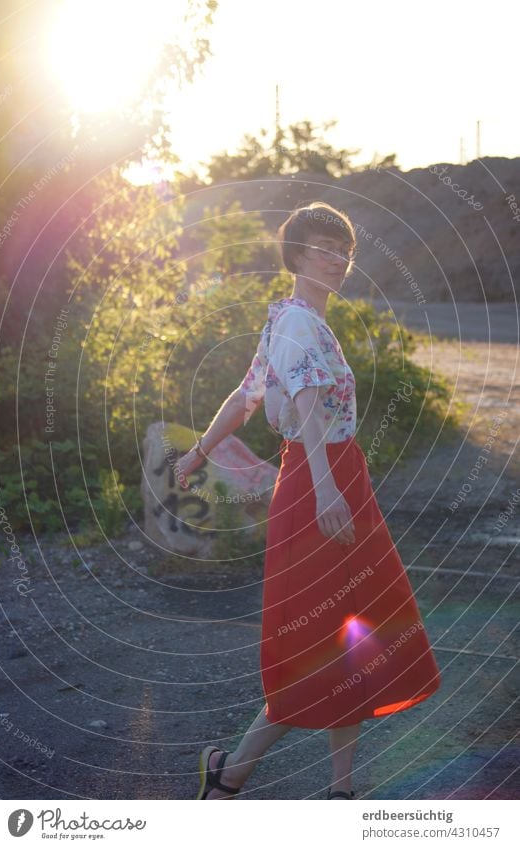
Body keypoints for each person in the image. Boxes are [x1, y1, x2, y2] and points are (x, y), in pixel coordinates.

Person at [174, 201, 442, 800]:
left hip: (336, 475)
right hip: (320, 479)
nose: (338, 260)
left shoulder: (293, 322)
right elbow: (304, 409)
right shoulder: (296, 323)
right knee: (319, 636)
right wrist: (325, 488)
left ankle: (332, 791)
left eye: (344, 251)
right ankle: (235, 770)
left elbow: (244, 400)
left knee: (350, 631)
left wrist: (196, 453)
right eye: (323, 248)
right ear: (295, 255)